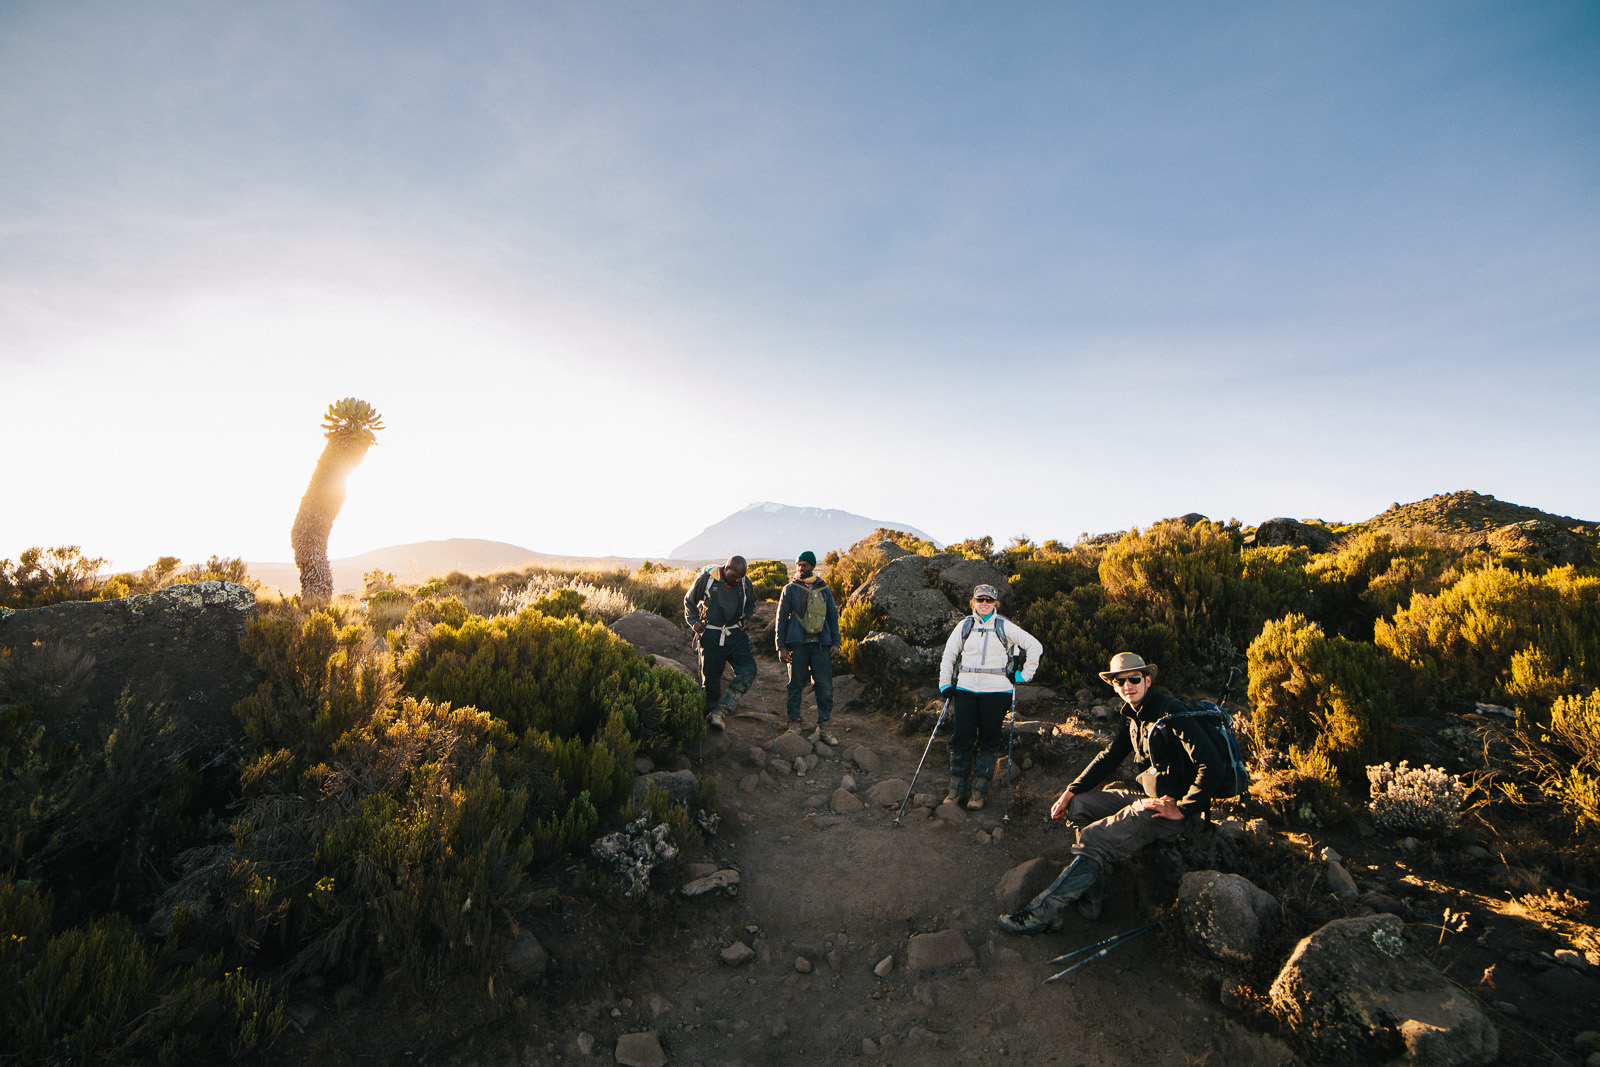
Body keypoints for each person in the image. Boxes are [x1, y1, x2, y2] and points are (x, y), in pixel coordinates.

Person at [999, 651, 1227, 933]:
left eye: (1133, 679)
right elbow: (1110, 755)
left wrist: (1183, 807)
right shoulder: (1132, 715)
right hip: (1150, 799)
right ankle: (1093, 895)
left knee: (1094, 835)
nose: (1127, 686)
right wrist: (1071, 791)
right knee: (1080, 806)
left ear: (1148, 679)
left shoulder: (1172, 713)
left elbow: (1211, 765)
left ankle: (1042, 913)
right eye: (1120, 682)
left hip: (1175, 810)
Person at [938, 583, 1043, 811]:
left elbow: (1035, 646)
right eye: (980, 599)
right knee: (961, 739)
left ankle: (978, 792)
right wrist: (945, 683)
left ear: (995, 603)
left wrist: (1024, 675)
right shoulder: (964, 626)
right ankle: (956, 790)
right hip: (965, 689)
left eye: (989, 600)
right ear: (973, 602)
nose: (984, 604)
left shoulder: (1005, 626)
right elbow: (949, 655)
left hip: (997, 692)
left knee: (989, 740)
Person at [774, 550, 841, 744]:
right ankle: (794, 722)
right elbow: (781, 619)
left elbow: (832, 618)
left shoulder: (824, 590)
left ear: (812, 566)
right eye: (798, 565)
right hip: (797, 644)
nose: (800, 568)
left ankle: (825, 726)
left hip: (821, 644)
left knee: (824, 686)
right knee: (795, 684)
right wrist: (781, 646)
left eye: (804, 565)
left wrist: (836, 643)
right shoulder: (790, 589)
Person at [683, 555, 757, 729]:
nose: (738, 580)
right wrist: (694, 621)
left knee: (748, 670)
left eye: (741, 577)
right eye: (735, 576)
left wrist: (747, 617)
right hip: (712, 635)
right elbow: (689, 601)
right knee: (711, 682)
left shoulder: (745, 583)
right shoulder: (707, 579)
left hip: (736, 633)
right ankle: (707, 719)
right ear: (727, 568)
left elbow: (752, 601)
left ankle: (721, 710)